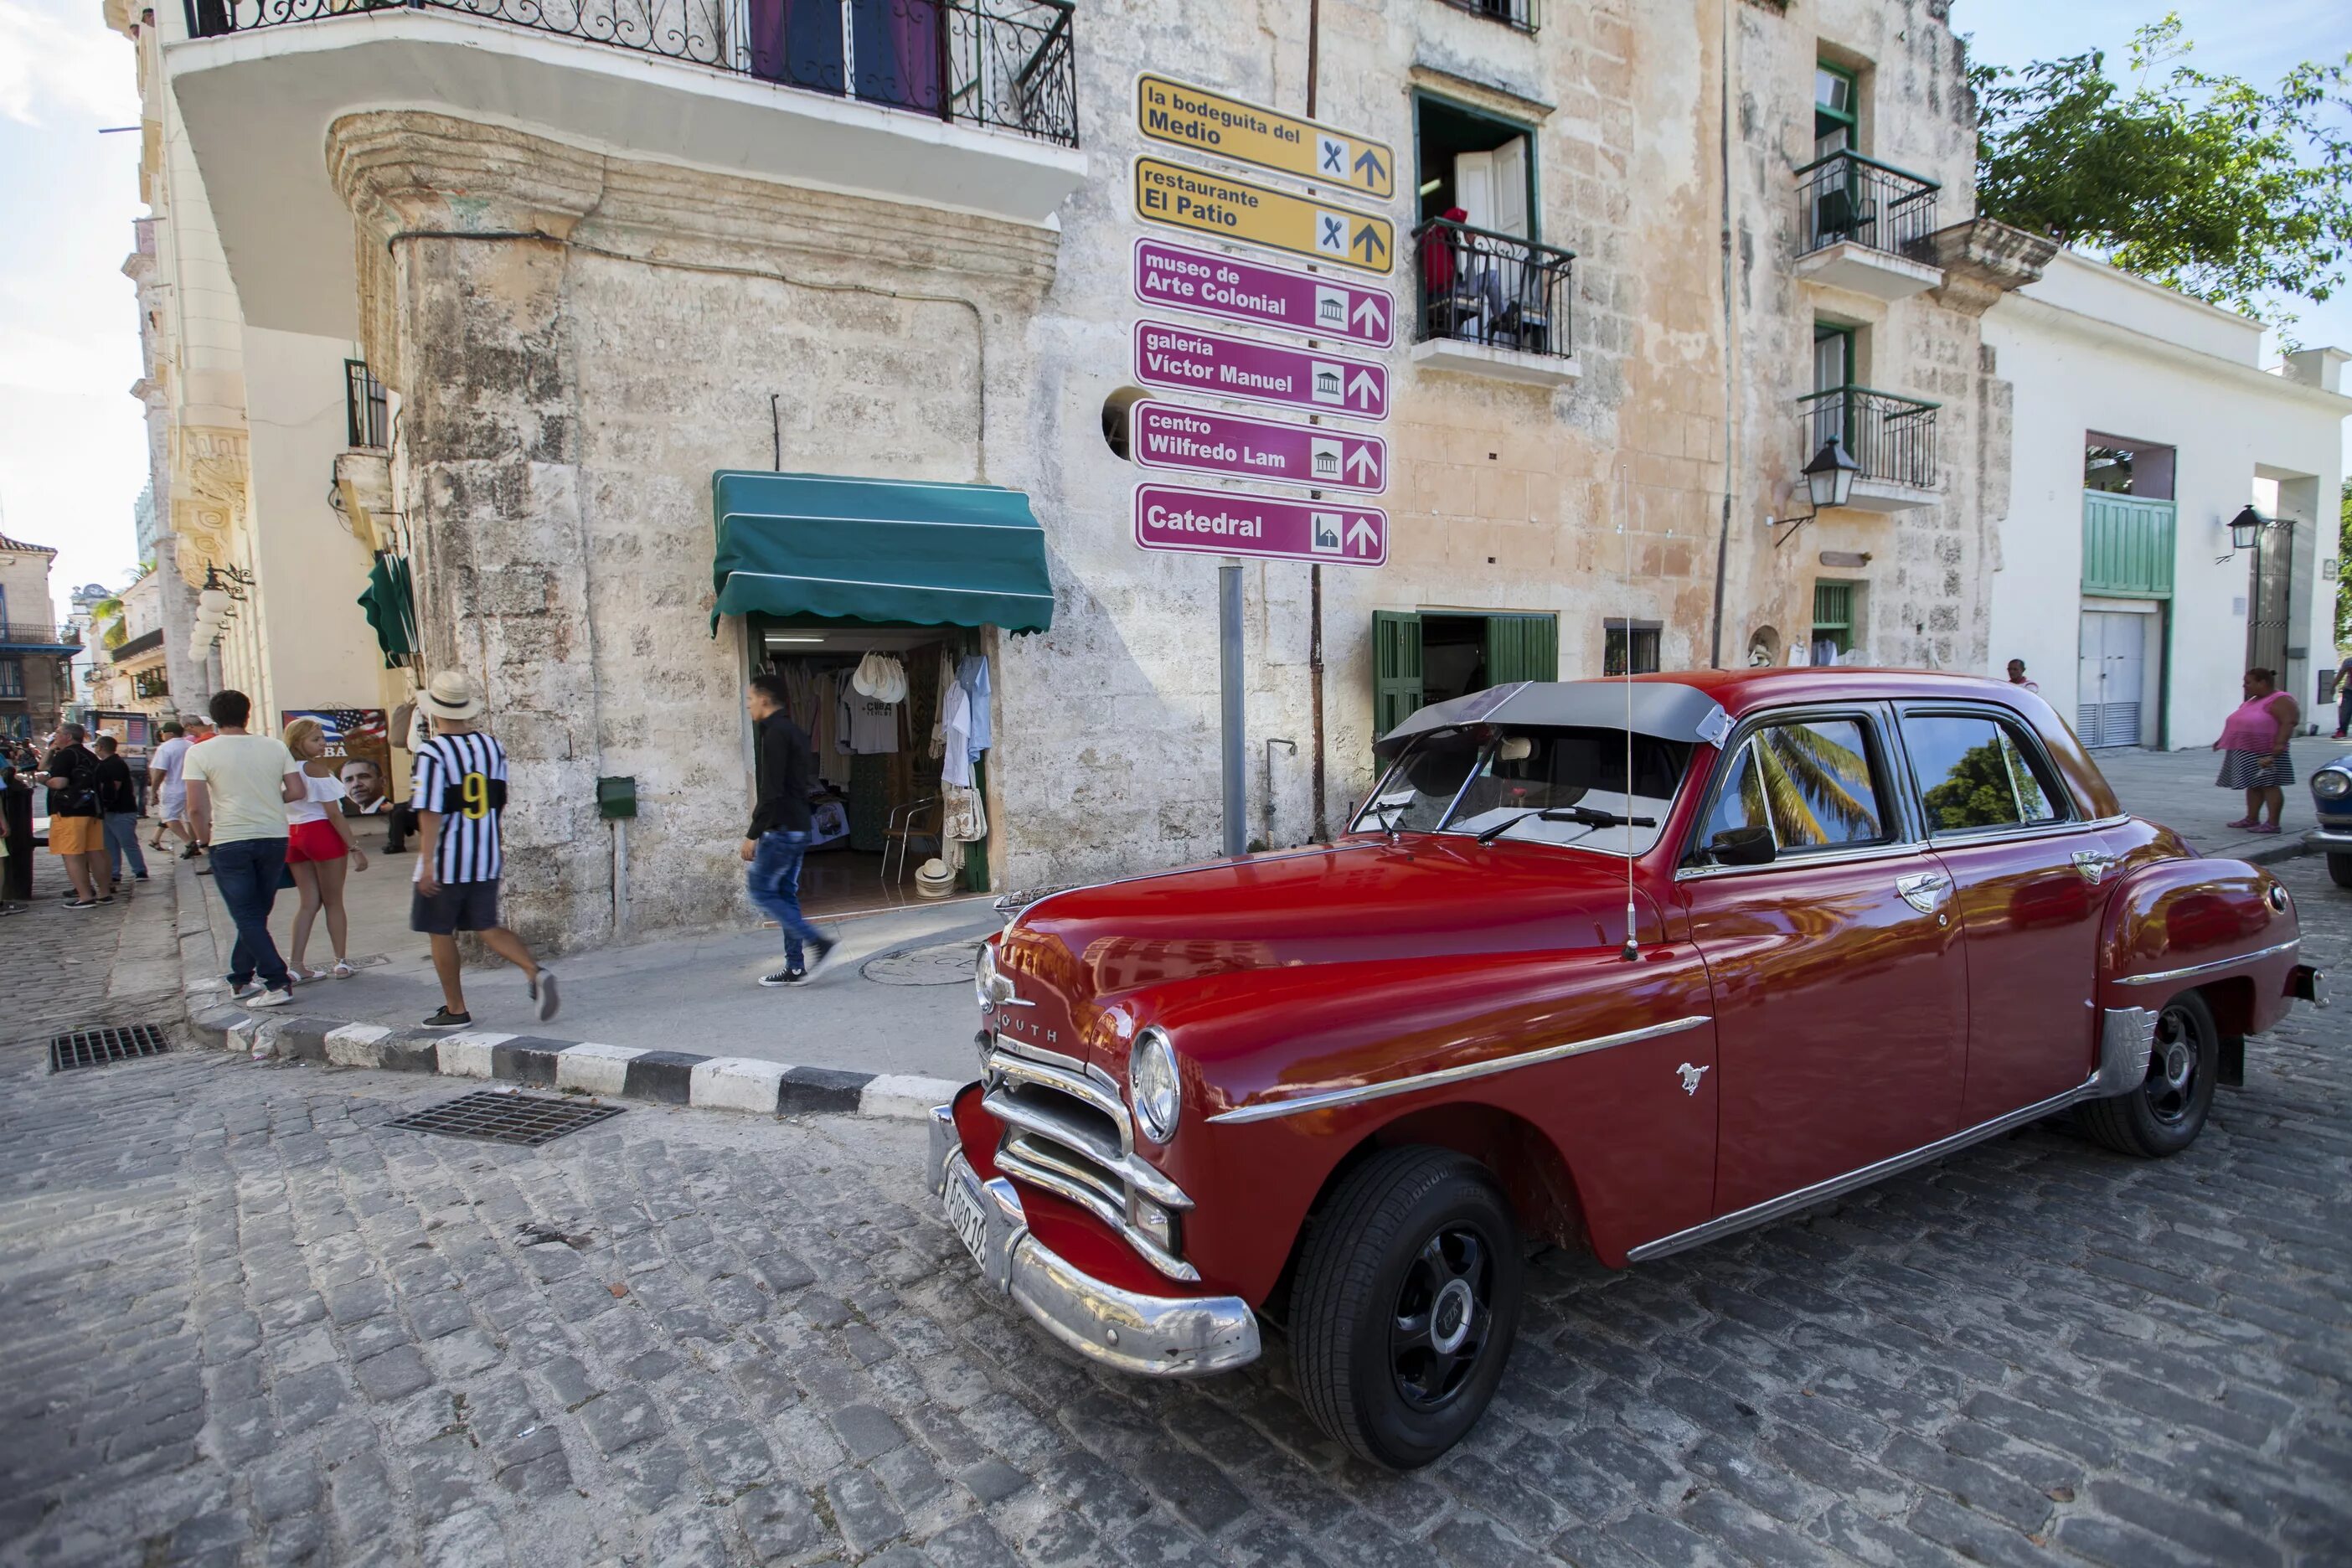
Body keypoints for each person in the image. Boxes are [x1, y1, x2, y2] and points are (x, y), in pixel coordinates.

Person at [408, 670, 558, 1028]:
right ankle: (532, 970)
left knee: (440, 931)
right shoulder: (492, 747)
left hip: (447, 859)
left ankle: (456, 1008)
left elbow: (430, 810)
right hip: (485, 853)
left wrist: (427, 862)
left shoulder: (432, 752)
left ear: (436, 710)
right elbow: (499, 799)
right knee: (486, 925)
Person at [184, 689, 306, 1007]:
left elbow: (196, 807)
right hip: (273, 835)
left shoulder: (200, 752)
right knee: (256, 912)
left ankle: (276, 981)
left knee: (246, 914)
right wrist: (265, 800)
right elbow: (296, 790)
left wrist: (201, 840)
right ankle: (240, 977)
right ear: (247, 714)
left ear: (214, 719)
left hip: (229, 838)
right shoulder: (275, 746)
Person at [744, 673, 836, 985]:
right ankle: (795, 967)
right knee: (785, 894)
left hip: (780, 829)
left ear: (765, 700)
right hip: (799, 826)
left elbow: (771, 791)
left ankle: (817, 943)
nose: (749, 706)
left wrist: (752, 833)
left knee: (761, 891)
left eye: (750, 699)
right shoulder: (796, 732)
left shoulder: (774, 735)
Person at [282, 718, 369, 979]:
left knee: (308, 902)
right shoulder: (316, 770)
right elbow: (334, 814)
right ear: (299, 742)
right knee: (333, 902)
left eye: (322, 738)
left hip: (294, 834)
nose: (323, 743)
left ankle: (296, 965)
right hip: (321, 832)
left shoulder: (283, 770)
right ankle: (341, 962)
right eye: (316, 739)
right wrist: (354, 847)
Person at [2214, 668, 2300, 835]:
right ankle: (2251, 818)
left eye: (2248, 683)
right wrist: (2222, 740)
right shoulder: (2253, 700)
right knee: (2253, 785)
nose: (2245, 686)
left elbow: (2289, 721)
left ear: (2262, 682)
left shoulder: (2280, 699)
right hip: (2246, 749)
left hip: (2266, 750)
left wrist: (2280, 744)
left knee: (2269, 784)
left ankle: (2273, 823)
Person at [42, 723, 110, 908]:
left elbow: (59, 782)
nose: (55, 736)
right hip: (92, 809)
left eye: (58, 733)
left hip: (69, 810)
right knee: (95, 852)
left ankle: (85, 896)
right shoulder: (89, 754)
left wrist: (44, 780)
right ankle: (105, 893)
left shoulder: (66, 755)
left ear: (68, 736)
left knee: (72, 854)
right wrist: (50, 751)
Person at [93, 735, 149, 892]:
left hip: (121, 810)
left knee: (127, 842)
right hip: (110, 811)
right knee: (110, 844)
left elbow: (114, 786)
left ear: (101, 747)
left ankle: (139, 870)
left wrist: (105, 801)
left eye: (96, 745)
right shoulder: (106, 764)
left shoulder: (115, 764)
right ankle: (114, 873)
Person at [149, 720, 196, 856]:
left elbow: (160, 772)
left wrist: (154, 791)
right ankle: (194, 842)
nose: (162, 735)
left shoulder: (165, 748)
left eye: (163, 732)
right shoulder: (191, 745)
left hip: (173, 788)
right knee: (189, 817)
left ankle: (189, 842)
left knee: (168, 816)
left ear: (170, 733)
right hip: (191, 786)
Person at [2334, 652, 2352, 740]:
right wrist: (2333, 686)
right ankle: (2342, 731)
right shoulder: (2348, 661)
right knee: (2345, 711)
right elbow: (2341, 674)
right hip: (2349, 690)